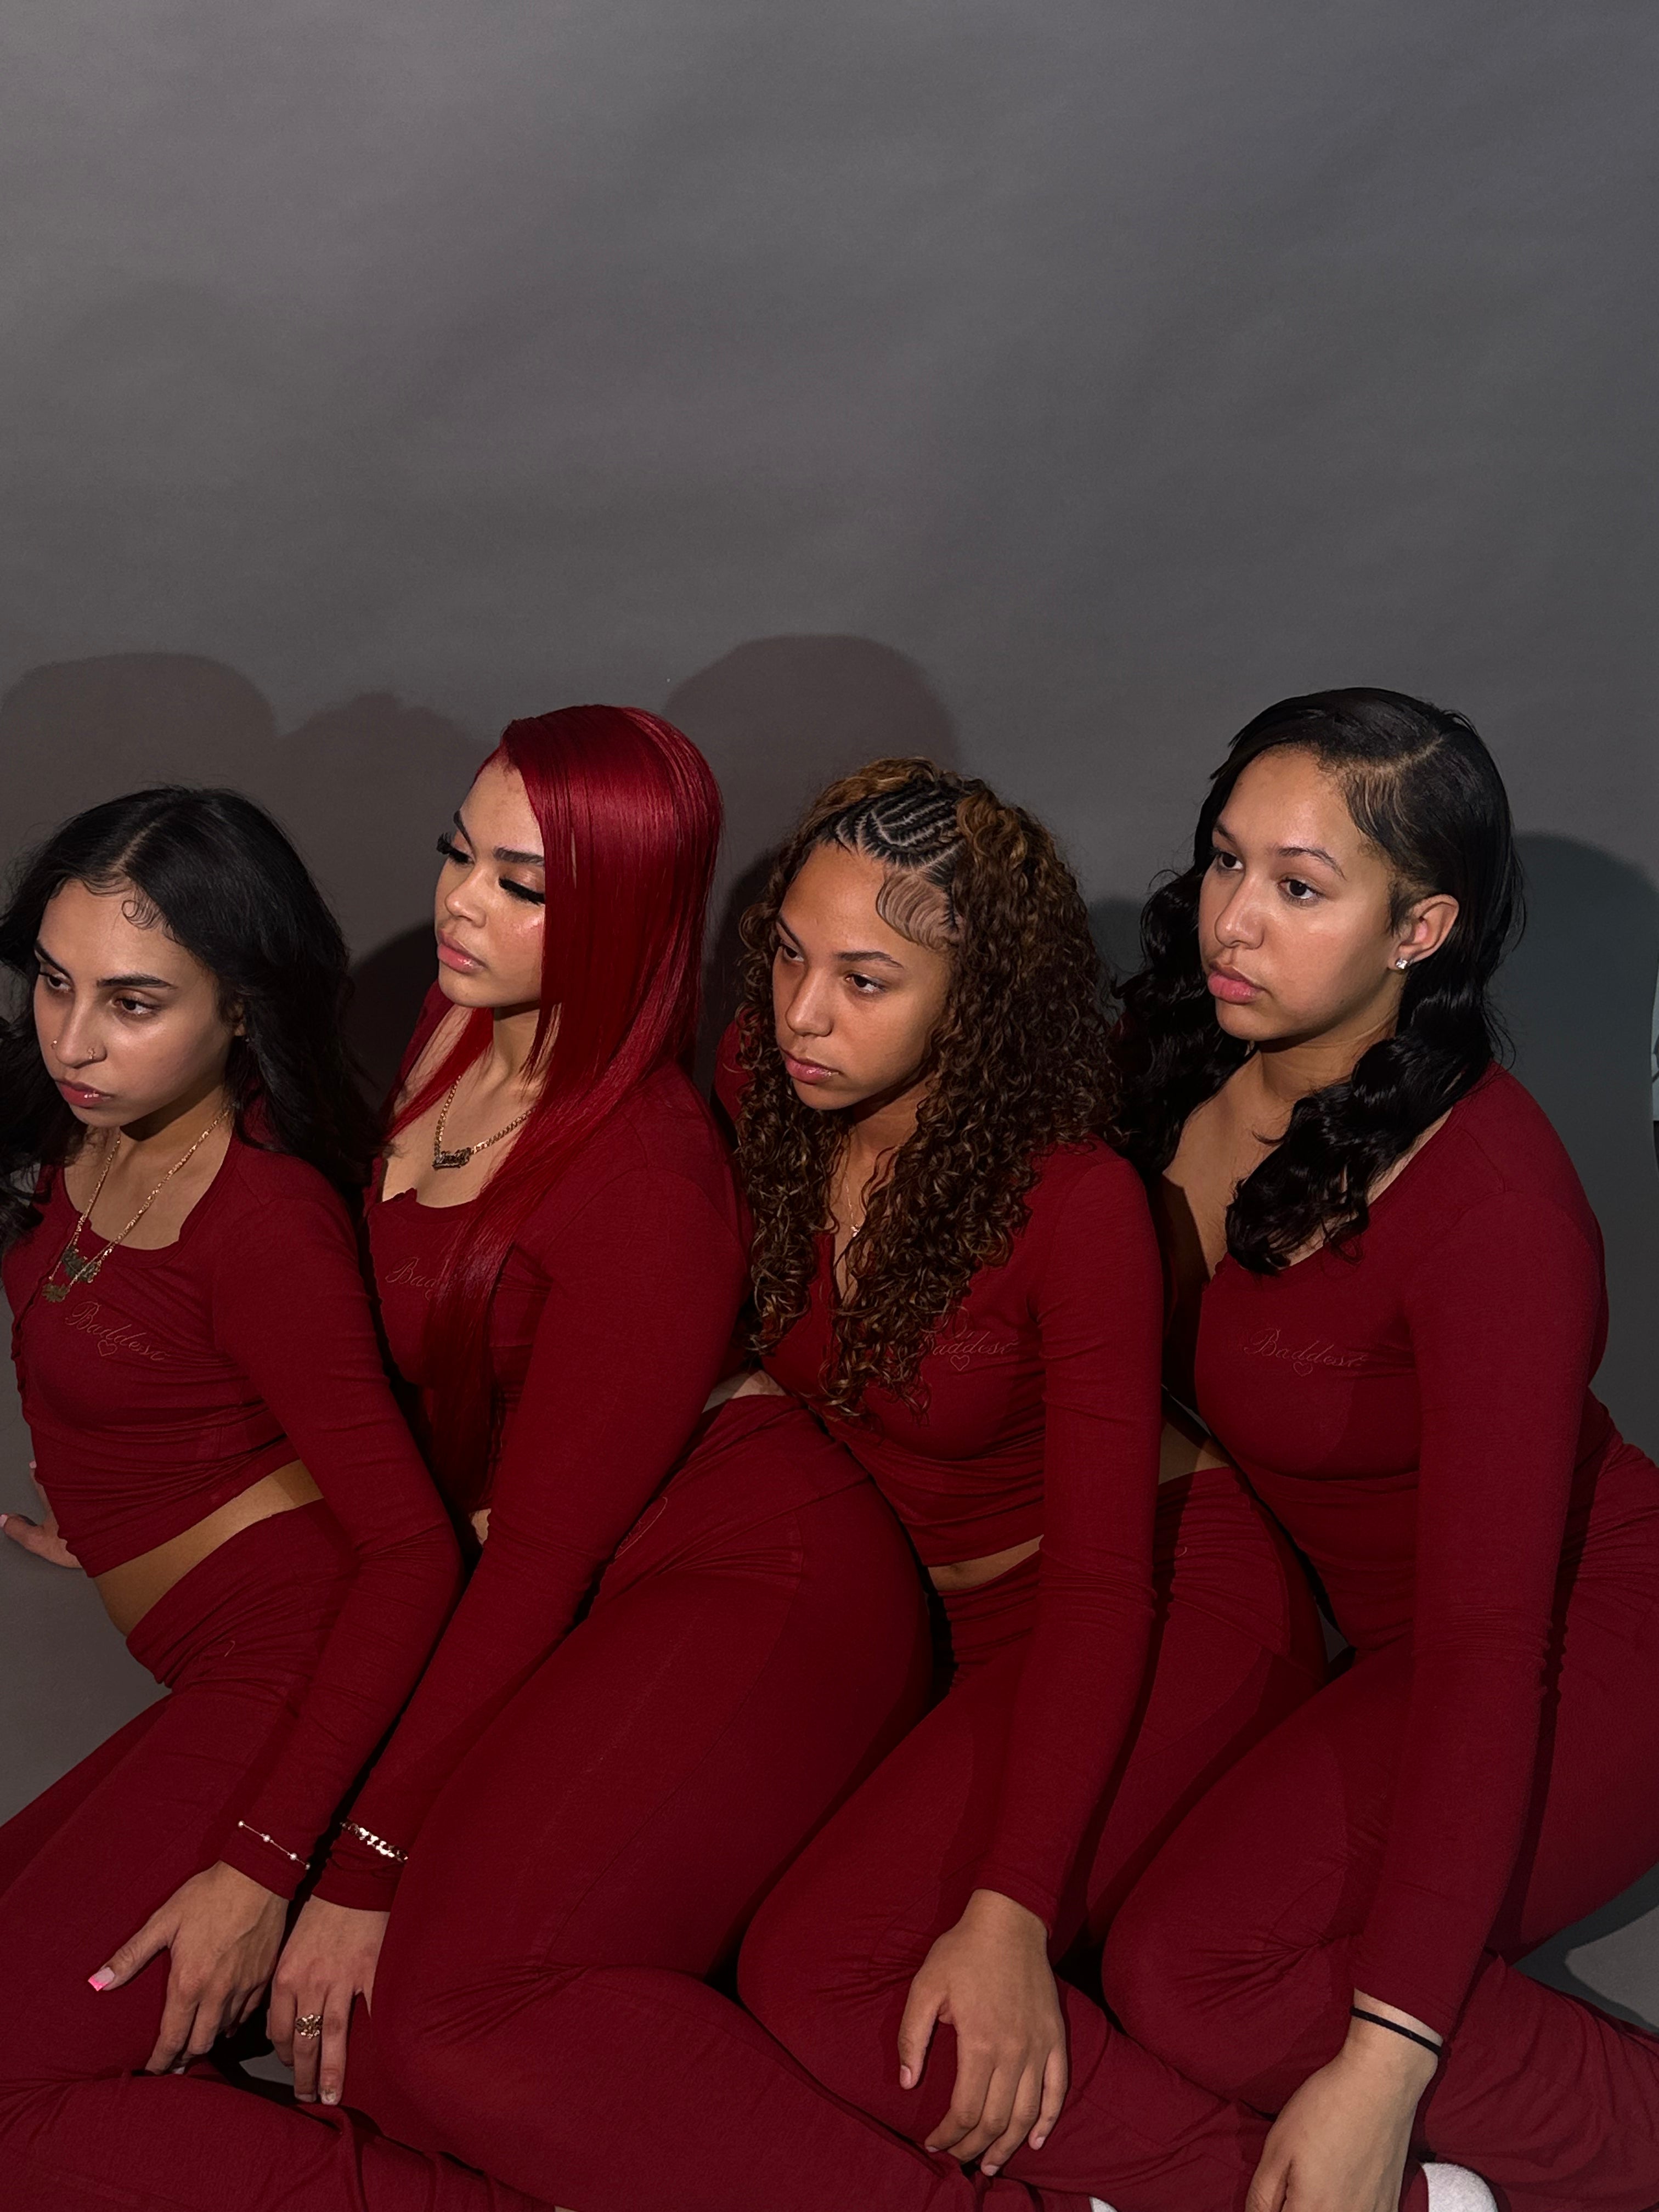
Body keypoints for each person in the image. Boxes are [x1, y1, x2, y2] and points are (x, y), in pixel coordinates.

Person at [271, 707, 1001, 2212]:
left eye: (523, 885)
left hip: (758, 1579)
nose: (461, 905)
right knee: (391, 2066)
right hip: (595, 1568)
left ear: (624, 910)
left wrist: (361, 1867)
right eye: (459, 855)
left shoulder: (647, 1178)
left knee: (450, 2018)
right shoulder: (452, 1033)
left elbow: (536, 1563)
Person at [720, 760, 1339, 2209]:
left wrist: (1010, 1911)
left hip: (1162, 1608)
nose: (804, 1013)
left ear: (975, 1001)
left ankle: (1341, 2200)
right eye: (791, 957)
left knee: (827, 1975)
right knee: (792, 1956)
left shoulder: (1073, 1205)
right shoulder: (767, 1088)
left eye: (866, 980)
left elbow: (1107, 1588)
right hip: (952, 1637)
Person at [1096, 688, 1659, 2212]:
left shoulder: (1496, 1210)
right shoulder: (1187, 1052)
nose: (1231, 920)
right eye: (1226, 860)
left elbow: (1487, 1649)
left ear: (1421, 931)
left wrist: (1385, 2059)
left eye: (1300, 888)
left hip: (1577, 1636)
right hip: (1382, 1646)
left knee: (1194, 1970)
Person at [0, 788, 558, 2211]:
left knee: (6, 2098)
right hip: (215, 1649)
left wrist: (261, 1869)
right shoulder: (79, 1119)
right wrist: (124, 1509)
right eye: (53, 984)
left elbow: (410, 1555)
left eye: (134, 1003)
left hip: (287, 1663)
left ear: (241, 1008)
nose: (73, 1040)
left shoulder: (261, 1224)